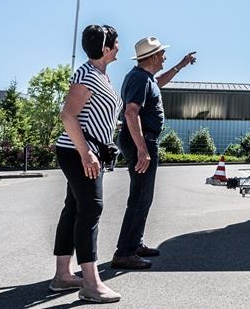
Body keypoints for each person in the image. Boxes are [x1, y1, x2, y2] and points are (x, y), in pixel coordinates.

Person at [52, 25, 122, 303]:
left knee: (74, 209)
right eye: (116, 43)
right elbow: (68, 116)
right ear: (105, 48)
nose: (119, 47)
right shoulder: (87, 74)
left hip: (88, 150)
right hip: (77, 151)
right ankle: (91, 283)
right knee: (92, 208)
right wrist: (86, 153)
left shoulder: (102, 76)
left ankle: (62, 276)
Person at [111, 37, 195, 269]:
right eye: (162, 54)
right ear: (153, 57)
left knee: (142, 198)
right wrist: (142, 149)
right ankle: (124, 253)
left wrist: (181, 65)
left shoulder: (144, 78)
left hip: (143, 140)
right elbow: (131, 113)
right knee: (139, 198)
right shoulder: (139, 78)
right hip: (142, 140)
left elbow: (160, 81)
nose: (164, 57)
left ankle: (134, 244)